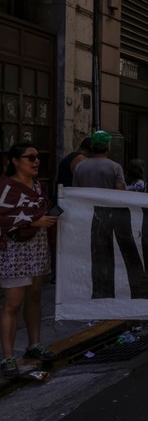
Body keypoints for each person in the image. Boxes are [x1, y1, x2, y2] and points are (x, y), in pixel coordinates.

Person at [0, 143, 58, 378]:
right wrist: (32, 222)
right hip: (15, 252)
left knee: (34, 298)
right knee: (13, 304)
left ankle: (34, 344)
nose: (36, 161)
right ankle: (8, 357)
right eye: (30, 157)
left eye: (37, 157)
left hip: (37, 249)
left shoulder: (38, 186)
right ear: (15, 161)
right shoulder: (5, 188)